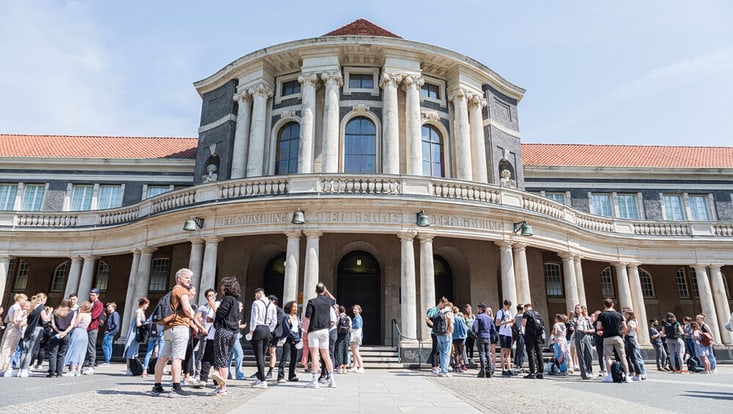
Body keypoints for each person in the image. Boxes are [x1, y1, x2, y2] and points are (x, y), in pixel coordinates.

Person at [151, 268, 195, 397]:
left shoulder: (171, 292)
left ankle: (157, 386)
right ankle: (176, 387)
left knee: (163, 358)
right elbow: (186, 308)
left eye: (190, 278)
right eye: (187, 277)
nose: (189, 280)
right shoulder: (182, 290)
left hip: (168, 328)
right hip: (180, 326)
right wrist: (193, 315)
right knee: (178, 358)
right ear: (179, 278)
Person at [210, 276, 242, 396]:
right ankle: (220, 386)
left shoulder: (227, 299)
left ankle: (223, 387)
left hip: (224, 330)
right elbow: (237, 318)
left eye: (223, 285)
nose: (221, 287)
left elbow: (220, 314)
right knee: (224, 357)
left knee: (221, 358)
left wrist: (213, 306)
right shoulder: (236, 301)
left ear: (227, 287)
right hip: (233, 332)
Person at [304, 283, 337, 388]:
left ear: (315, 291)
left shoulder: (312, 301)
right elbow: (334, 300)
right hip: (325, 330)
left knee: (314, 355)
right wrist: (327, 292)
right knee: (326, 355)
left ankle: (314, 381)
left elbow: (307, 316)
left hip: (314, 330)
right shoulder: (328, 301)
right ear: (324, 290)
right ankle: (332, 380)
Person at [245, 287, 276, 389]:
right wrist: (269, 330)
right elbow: (274, 321)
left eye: (255, 295)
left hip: (258, 329)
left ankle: (262, 380)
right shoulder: (271, 304)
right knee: (262, 354)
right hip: (267, 329)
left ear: (258, 294)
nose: (255, 297)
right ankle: (260, 377)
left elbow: (254, 318)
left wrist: (251, 330)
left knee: (259, 355)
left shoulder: (256, 303)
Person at [597, 298, 632, 383]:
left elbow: (599, 328)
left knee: (608, 357)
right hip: (618, 337)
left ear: (604, 305)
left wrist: (601, 331)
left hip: (607, 338)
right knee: (623, 357)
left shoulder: (602, 315)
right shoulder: (619, 314)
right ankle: (627, 376)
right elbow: (625, 327)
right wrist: (621, 332)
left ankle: (609, 376)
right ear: (613, 305)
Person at [17, 293, 48, 377]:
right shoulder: (41, 307)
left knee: (24, 350)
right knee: (30, 351)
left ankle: (20, 369)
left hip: (28, 329)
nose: (45, 301)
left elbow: (25, 317)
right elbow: (45, 319)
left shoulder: (31, 306)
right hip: (37, 329)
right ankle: (25, 370)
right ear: (43, 299)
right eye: (45, 299)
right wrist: (49, 313)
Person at [0, 293, 28, 376]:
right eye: (24, 300)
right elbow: (14, 320)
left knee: (4, 347)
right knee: (10, 349)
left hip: (9, 327)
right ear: (20, 300)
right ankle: (5, 368)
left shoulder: (11, 307)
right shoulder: (17, 308)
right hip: (14, 329)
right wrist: (17, 327)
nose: (25, 302)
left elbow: (6, 320)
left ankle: (4, 366)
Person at [47, 299, 74, 377]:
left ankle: (52, 372)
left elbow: (53, 324)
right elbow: (72, 324)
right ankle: (59, 372)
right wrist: (65, 332)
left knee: (53, 353)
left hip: (56, 334)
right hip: (66, 334)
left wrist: (58, 331)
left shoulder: (55, 311)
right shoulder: (72, 312)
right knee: (62, 354)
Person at [123, 298, 149, 375]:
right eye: (147, 304)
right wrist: (146, 324)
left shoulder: (140, 311)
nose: (147, 306)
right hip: (134, 332)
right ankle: (128, 369)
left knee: (133, 350)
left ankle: (132, 368)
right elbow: (138, 323)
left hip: (136, 332)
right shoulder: (139, 311)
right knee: (131, 350)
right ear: (144, 303)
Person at [65, 301, 92, 377]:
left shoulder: (81, 314)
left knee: (75, 350)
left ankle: (72, 370)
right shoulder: (89, 316)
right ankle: (78, 370)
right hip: (84, 333)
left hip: (78, 332)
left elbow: (75, 324)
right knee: (81, 352)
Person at [277, 300, 302, 383]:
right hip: (288, 338)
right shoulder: (286, 317)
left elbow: (298, 328)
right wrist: (295, 339)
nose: (296, 308)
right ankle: (280, 375)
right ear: (290, 308)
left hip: (296, 338)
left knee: (294, 358)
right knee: (284, 357)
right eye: (294, 307)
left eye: (296, 307)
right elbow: (287, 329)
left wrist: (298, 338)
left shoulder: (297, 317)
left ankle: (292, 375)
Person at [84, 288, 104, 374]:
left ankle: (91, 365)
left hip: (93, 327)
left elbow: (95, 315)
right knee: (86, 346)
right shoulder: (91, 303)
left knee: (91, 346)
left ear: (97, 295)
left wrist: (87, 315)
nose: (91, 296)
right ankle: (85, 363)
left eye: (93, 295)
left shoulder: (99, 304)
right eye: (90, 295)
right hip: (87, 327)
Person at [473, 303, 496, 378]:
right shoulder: (489, 318)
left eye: (478, 309)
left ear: (480, 309)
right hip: (487, 337)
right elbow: (493, 329)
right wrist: (490, 334)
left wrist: (476, 334)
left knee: (482, 354)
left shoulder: (479, 317)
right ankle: (489, 370)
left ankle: (483, 371)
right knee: (488, 354)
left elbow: (474, 327)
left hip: (481, 336)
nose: (477, 310)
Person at [522, 303, 545, 379]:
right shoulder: (537, 313)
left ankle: (532, 372)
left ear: (526, 307)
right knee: (539, 353)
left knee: (531, 352)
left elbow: (524, 324)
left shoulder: (526, 313)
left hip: (530, 334)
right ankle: (541, 372)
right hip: (538, 335)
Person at [425, 298, 447, 375]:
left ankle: (438, 366)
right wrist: (434, 326)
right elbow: (427, 319)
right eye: (444, 305)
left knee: (439, 349)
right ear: (441, 302)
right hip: (435, 332)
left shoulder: (442, 311)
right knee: (435, 349)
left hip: (440, 332)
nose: (444, 307)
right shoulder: (434, 310)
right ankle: (434, 366)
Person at [623, 309, 646, 380]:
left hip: (630, 339)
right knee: (628, 357)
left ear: (630, 315)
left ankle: (638, 373)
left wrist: (622, 331)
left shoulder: (631, 322)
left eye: (626, 314)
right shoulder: (627, 322)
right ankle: (632, 372)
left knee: (634, 357)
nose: (625, 315)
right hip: (627, 339)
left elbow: (627, 331)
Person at [265, 294, 284, 380]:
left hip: (274, 334)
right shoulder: (267, 310)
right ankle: (260, 370)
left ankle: (270, 371)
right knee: (263, 351)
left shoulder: (279, 311)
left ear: (273, 301)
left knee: (272, 351)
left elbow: (278, 322)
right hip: (266, 332)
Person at [573, 305, 594, 379]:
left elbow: (593, 329)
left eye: (578, 308)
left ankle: (589, 371)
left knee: (589, 355)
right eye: (576, 308)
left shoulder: (587, 319)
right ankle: (584, 373)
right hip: (579, 335)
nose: (577, 309)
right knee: (581, 355)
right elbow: (575, 326)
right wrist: (578, 319)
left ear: (582, 309)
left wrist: (587, 331)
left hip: (587, 335)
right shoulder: (574, 318)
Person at [226, 301, 246, 381]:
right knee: (239, 354)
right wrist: (241, 326)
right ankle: (239, 374)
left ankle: (227, 373)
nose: (242, 308)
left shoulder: (233, 314)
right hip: (234, 336)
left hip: (232, 335)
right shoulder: (236, 315)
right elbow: (234, 325)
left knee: (230, 356)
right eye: (240, 306)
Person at [495, 299, 514, 376]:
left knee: (508, 351)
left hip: (509, 332)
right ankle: (503, 368)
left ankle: (509, 368)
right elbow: (497, 323)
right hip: (502, 332)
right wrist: (507, 322)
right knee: (503, 350)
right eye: (508, 306)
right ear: (505, 305)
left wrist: (511, 322)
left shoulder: (509, 312)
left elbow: (511, 322)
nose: (508, 308)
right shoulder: (500, 312)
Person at [101, 302, 120, 366]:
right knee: (107, 345)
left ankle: (107, 361)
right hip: (109, 332)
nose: (107, 308)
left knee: (106, 346)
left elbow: (115, 323)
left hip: (109, 332)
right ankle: (107, 360)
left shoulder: (114, 314)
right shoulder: (110, 314)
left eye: (109, 307)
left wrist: (109, 330)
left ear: (113, 307)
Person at [334, 305, 351, 374]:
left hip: (339, 335)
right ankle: (345, 368)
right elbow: (350, 327)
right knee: (345, 350)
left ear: (339, 311)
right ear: (345, 310)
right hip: (346, 335)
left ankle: (339, 367)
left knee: (339, 350)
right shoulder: (348, 317)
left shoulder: (338, 317)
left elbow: (335, 325)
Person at [349, 304, 364, 373]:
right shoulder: (356, 317)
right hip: (354, 335)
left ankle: (361, 366)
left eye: (356, 309)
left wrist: (351, 326)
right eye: (354, 309)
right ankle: (354, 366)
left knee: (356, 351)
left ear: (359, 310)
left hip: (356, 336)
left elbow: (357, 325)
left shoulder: (358, 317)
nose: (354, 310)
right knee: (353, 351)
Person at [452, 306, 467, 372]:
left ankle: (456, 365)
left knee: (456, 352)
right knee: (460, 353)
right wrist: (464, 335)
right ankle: (460, 366)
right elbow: (464, 328)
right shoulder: (460, 319)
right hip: (461, 337)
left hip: (454, 337)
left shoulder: (452, 319)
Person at [513, 304, 525, 370]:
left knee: (519, 348)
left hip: (518, 334)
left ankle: (518, 362)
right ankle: (519, 363)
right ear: (520, 310)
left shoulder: (516, 316)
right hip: (521, 334)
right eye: (523, 308)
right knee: (521, 349)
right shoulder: (520, 316)